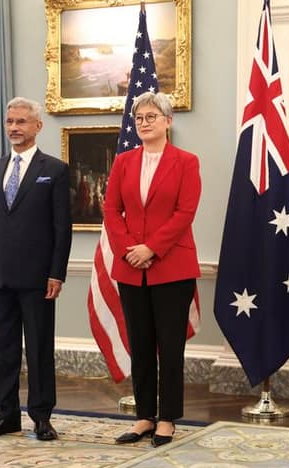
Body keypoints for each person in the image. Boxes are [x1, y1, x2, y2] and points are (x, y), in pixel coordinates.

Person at [0, 97, 72, 441]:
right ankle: (6, 416)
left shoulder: (54, 170)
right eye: (10, 121)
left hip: (38, 277)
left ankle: (42, 417)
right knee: (3, 351)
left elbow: (62, 228)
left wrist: (57, 273)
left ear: (37, 126)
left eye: (21, 122)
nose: (14, 127)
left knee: (39, 348)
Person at [104, 91, 201, 448]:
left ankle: (167, 419)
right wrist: (129, 250)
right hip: (131, 267)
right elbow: (110, 209)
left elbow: (185, 212)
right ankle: (144, 416)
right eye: (139, 118)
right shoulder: (123, 162)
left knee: (170, 348)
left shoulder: (186, 162)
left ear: (168, 121)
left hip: (172, 268)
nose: (144, 123)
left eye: (151, 117)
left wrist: (152, 248)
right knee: (140, 345)